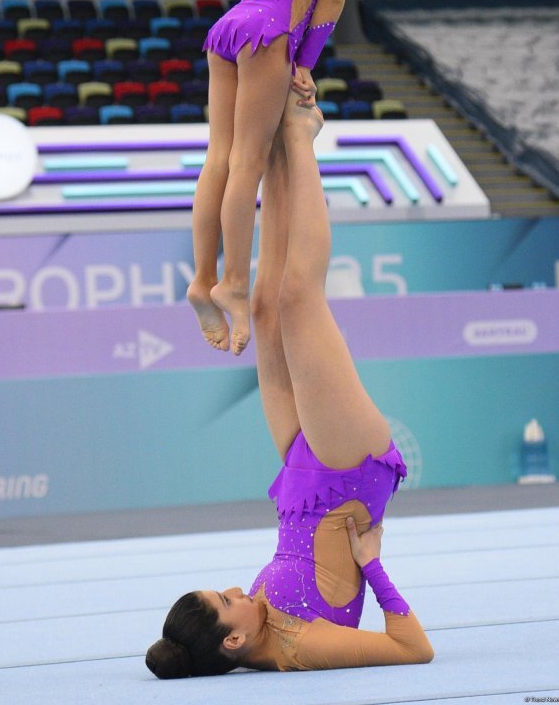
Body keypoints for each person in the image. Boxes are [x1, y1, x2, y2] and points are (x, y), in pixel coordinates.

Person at [146, 88, 433, 679]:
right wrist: (371, 565)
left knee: (268, 306)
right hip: (348, 470)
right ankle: (301, 137)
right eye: (225, 602)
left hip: (300, 471)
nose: (231, 588)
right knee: (302, 299)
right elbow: (413, 649)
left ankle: (276, 146)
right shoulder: (301, 648)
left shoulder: (254, 618)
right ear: (232, 643)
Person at [187, 0, 393, 355]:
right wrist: (304, 63)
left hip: (231, 26)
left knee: (220, 157)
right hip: (270, 34)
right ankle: (232, 283)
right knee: (248, 162)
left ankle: (202, 277)